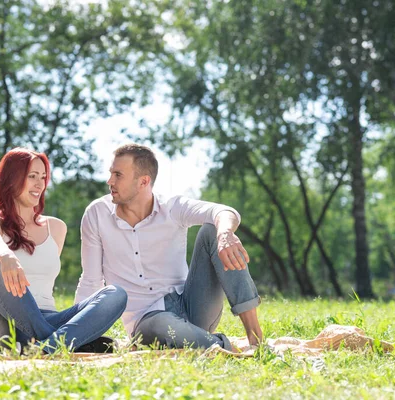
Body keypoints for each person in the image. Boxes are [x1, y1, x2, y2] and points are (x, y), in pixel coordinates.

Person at [75, 144, 262, 351]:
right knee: (160, 324)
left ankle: (255, 339)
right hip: (146, 322)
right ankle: (222, 347)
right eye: (111, 173)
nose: (110, 181)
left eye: (118, 175)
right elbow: (90, 280)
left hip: (192, 306)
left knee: (212, 230)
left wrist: (225, 234)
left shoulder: (172, 207)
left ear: (143, 181)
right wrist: (78, 333)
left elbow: (224, 211)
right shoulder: (97, 214)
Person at [0, 147, 127, 354]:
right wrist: (5, 255)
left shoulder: (56, 228)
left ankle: (44, 347)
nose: (40, 183)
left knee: (116, 294)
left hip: (47, 315)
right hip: (0, 328)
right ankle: (64, 341)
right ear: (12, 179)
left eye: (43, 177)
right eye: (32, 176)